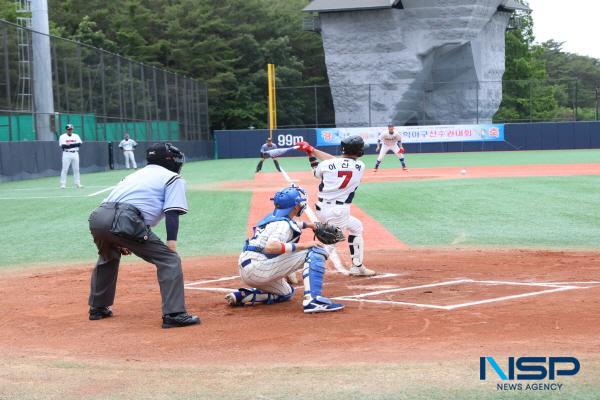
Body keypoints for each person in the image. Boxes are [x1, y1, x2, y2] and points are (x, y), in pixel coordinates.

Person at [87, 142, 200, 329]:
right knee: (169, 260)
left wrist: (121, 237)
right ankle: (174, 314)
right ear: (169, 160)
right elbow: (172, 212)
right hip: (124, 219)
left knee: (108, 256)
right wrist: (171, 243)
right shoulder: (173, 178)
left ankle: (98, 308)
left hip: (98, 217)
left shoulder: (135, 174)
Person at [225, 185, 344, 313]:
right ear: (296, 206)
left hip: (248, 268)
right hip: (259, 268)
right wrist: (305, 245)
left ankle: (243, 296)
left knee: (286, 293)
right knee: (315, 250)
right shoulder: (283, 224)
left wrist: (309, 225)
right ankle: (313, 301)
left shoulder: (273, 218)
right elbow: (271, 246)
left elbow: (290, 224)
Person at [296, 136, 376, 276]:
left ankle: (357, 266)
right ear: (359, 151)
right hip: (338, 211)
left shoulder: (327, 165)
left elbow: (318, 171)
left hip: (322, 208)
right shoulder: (360, 166)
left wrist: (311, 152)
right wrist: (312, 150)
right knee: (329, 245)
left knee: (356, 226)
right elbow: (338, 162)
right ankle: (292, 268)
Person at [59, 124, 83, 188]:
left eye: (71, 129)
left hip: (75, 153)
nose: (70, 130)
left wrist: (69, 145)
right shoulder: (62, 136)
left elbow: (79, 144)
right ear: (66, 130)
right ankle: (63, 184)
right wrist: (74, 144)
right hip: (66, 154)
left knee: (76, 169)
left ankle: (77, 183)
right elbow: (63, 146)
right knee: (65, 169)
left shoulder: (76, 136)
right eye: (69, 129)